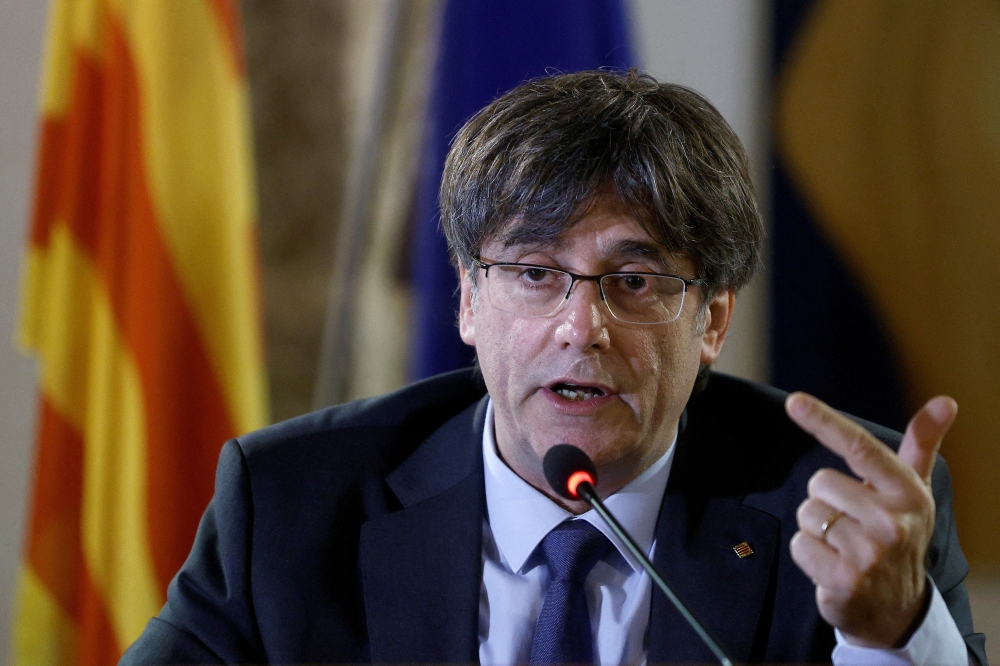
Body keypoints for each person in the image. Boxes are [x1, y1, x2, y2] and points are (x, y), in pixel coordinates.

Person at [121, 70, 986, 665]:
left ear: (712, 319)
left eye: (635, 281)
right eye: (536, 274)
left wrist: (890, 636)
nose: (582, 326)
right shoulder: (291, 504)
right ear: (467, 300)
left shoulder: (850, 523)